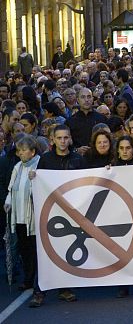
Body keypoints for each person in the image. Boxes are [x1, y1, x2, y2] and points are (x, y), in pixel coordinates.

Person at [29, 124, 86, 306]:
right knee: (46, 251)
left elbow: (87, 182)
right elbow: (39, 185)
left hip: (72, 213)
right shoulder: (45, 160)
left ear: (70, 138)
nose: (62, 141)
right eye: (59, 138)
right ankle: (40, 291)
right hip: (51, 213)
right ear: (52, 139)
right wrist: (34, 177)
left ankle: (65, 289)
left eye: (65, 137)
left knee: (66, 251)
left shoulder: (78, 159)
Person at [4, 136, 40, 296]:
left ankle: (35, 279)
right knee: (24, 249)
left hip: (32, 216)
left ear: (32, 152)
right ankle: (28, 278)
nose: (20, 154)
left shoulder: (40, 164)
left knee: (34, 249)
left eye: (24, 150)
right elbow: (12, 188)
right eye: (19, 151)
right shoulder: (18, 166)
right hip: (18, 215)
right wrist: (8, 202)